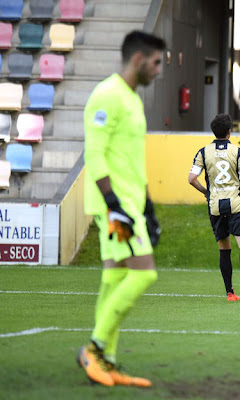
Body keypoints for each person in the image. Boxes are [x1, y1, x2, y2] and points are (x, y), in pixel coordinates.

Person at [78, 31, 166, 388]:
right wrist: (115, 205)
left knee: (114, 278)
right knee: (144, 274)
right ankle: (94, 348)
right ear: (138, 59)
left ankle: (108, 362)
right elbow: (95, 153)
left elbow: (133, 161)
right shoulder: (107, 95)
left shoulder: (132, 100)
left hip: (131, 205)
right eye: (157, 62)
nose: (159, 70)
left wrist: (149, 209)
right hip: (116, 208)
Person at [188, 114, 240, 303]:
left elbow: (191, 179)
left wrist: (207, 192)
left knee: (224, 249)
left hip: (215, 206)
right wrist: (238, 190)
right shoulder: (236, 151)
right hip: (235, 203)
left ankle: (230, 293)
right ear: (230, 131)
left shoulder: (203, 152)